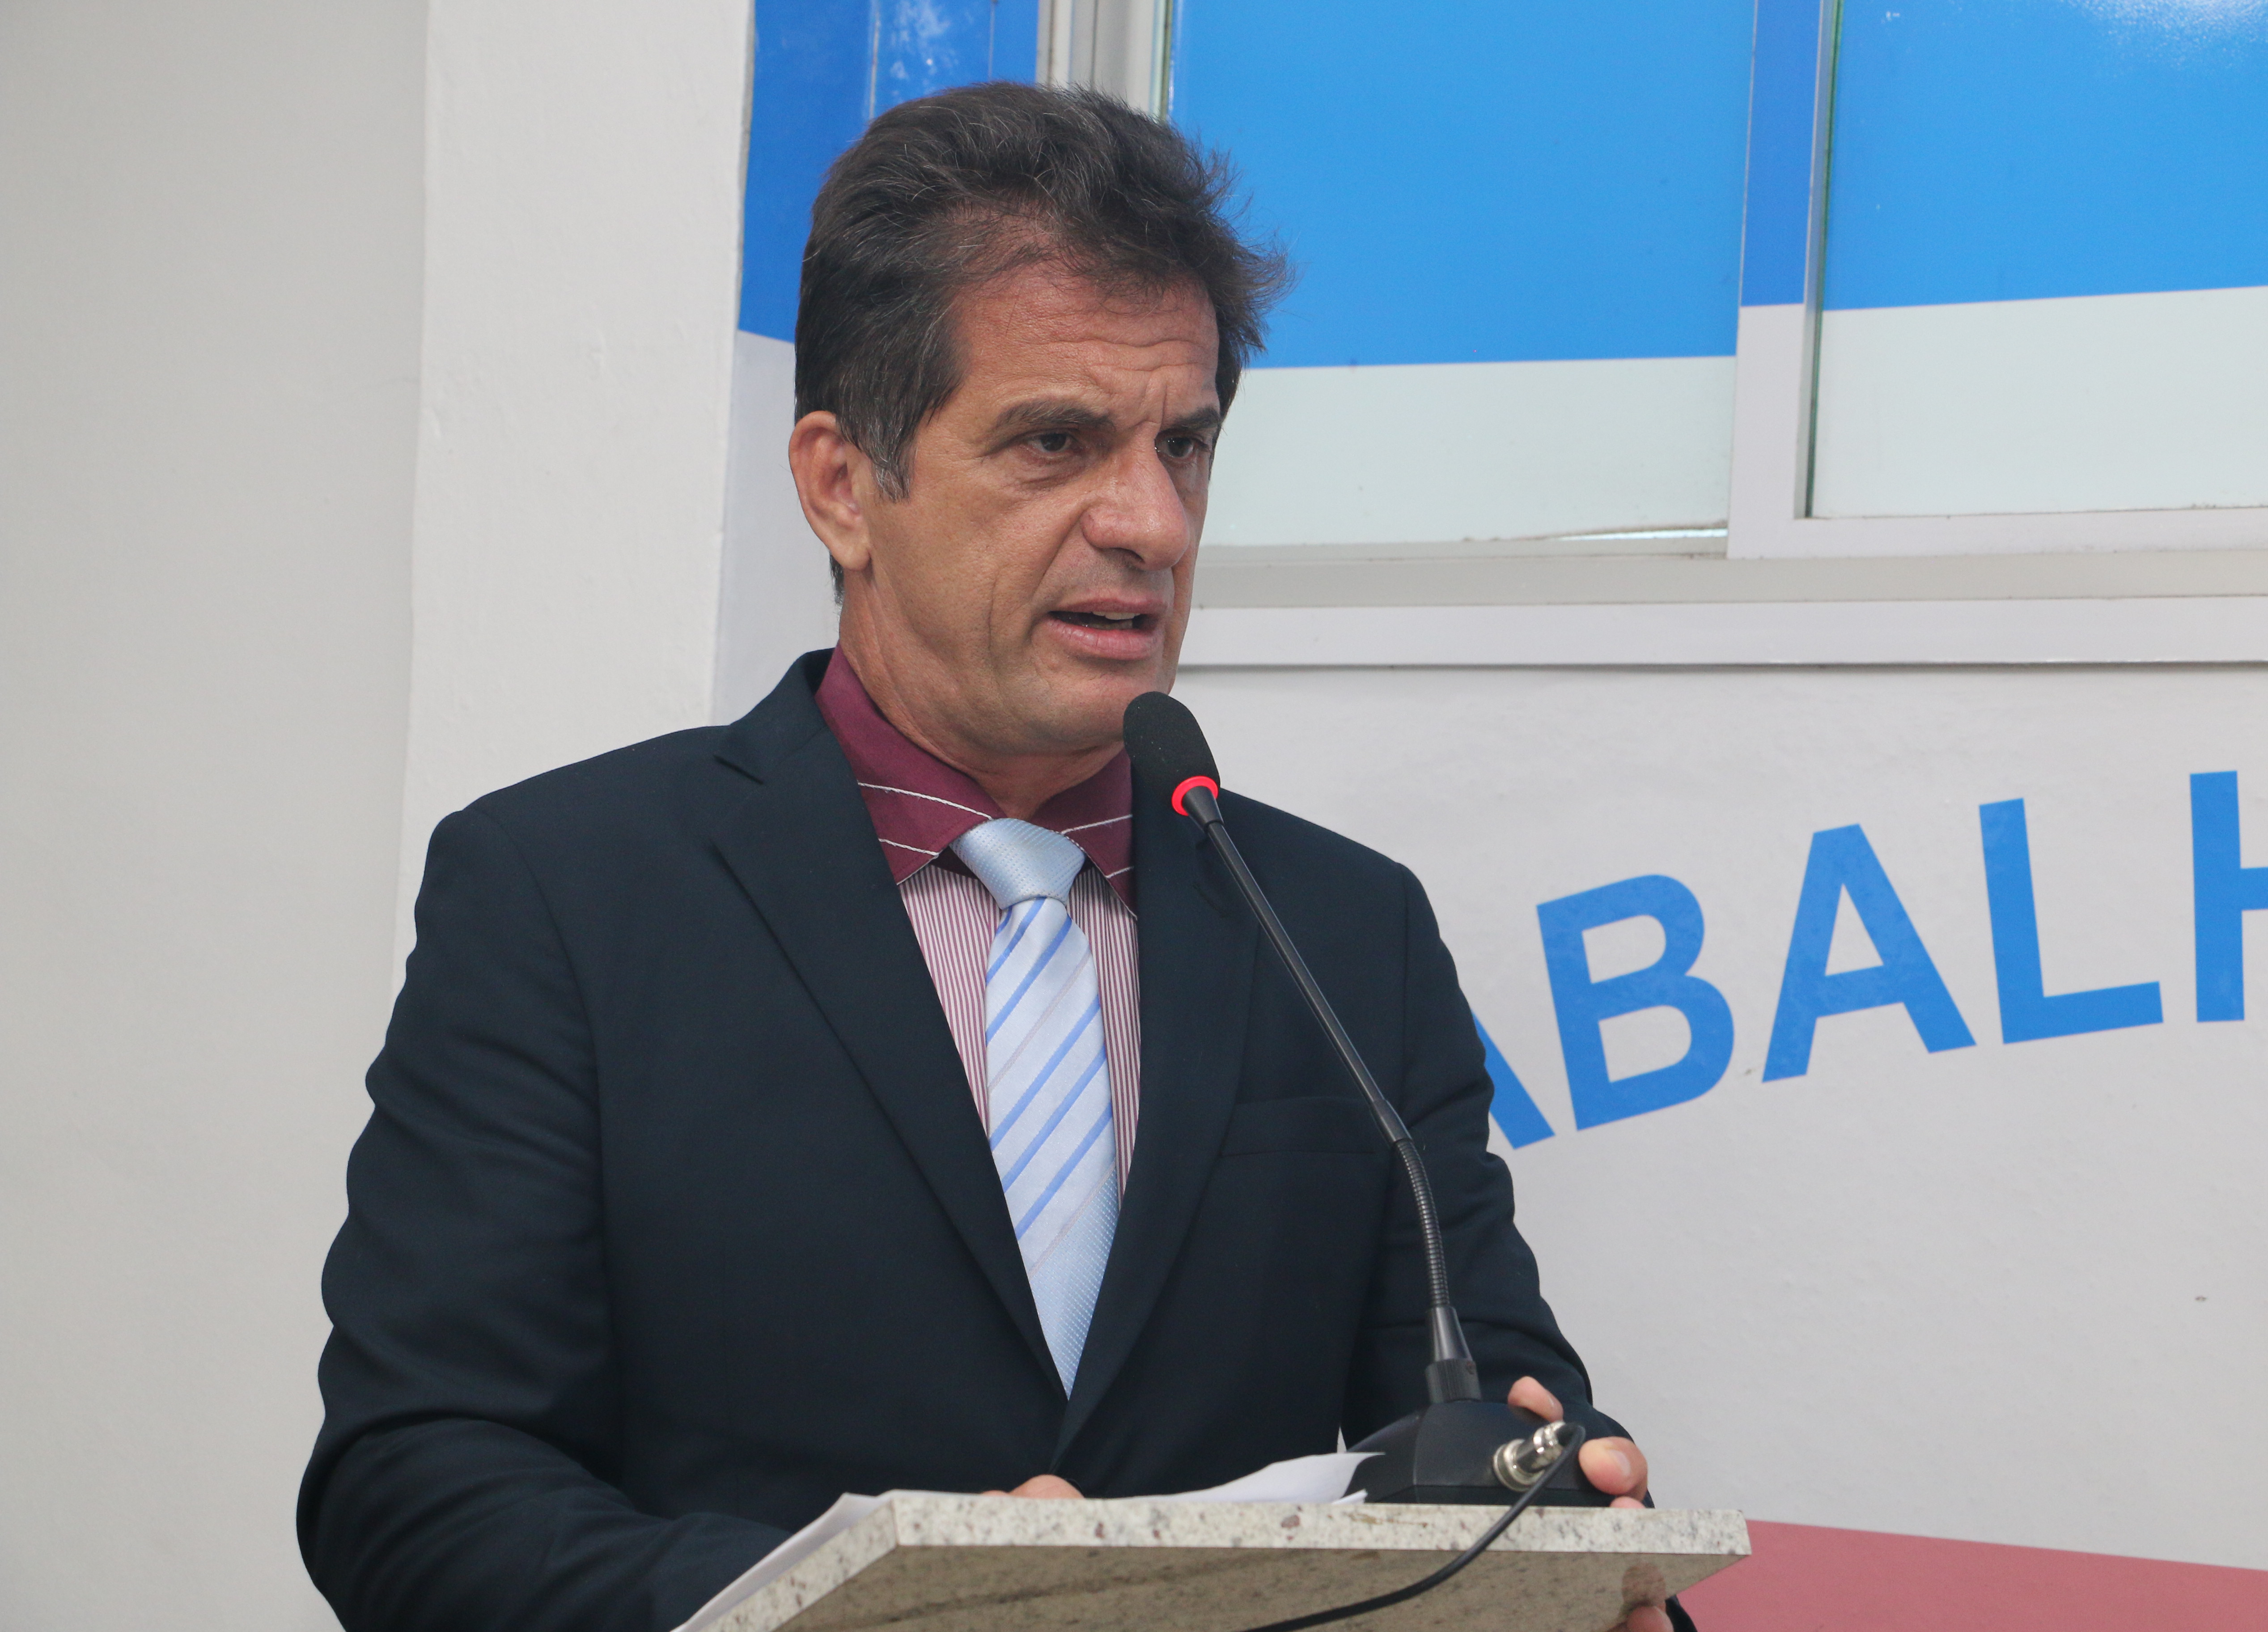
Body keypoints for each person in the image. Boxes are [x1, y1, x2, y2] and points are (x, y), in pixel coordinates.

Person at [301, 83, 1691, 1632]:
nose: (1153, 524)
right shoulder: (568, 895)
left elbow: (1478, 1410)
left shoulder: (1343, 930)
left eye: (1185, 445)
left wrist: (1559, 1525)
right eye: (1056, 442)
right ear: (843, 486)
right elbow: (417, 1492)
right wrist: (866, 1602)